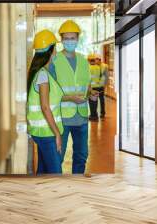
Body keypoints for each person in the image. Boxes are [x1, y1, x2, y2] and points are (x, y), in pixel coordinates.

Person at [48, 20, 94, 174]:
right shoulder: (54, 61)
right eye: (66, 38)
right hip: (62, 118)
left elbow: (87, 85)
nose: (70, 41)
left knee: (81, 156)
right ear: (61, 40)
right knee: (57, 157)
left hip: (81, 117)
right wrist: (70, 98)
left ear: (77, 39)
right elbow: (49, 93)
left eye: (72, 38)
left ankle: (77, 185)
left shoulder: (83, 60)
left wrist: (91, 93)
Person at [27, 29, 64, 174]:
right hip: (47, 133)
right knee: (55, 173)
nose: (56, 52)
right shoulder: (43, 75)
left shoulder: (39, 72)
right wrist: (57, 134)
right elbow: (45, 107)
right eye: (55, 48)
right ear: (51, 50)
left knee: (43, 170)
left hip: (40, 132)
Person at [88, 53, 108, 121]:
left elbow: (88, 78)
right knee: (96, 101)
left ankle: (93, 116)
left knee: (92, 102)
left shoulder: (89, 68)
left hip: (92, 87)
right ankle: (96, 115)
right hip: (99, 86)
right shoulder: (98, 67)